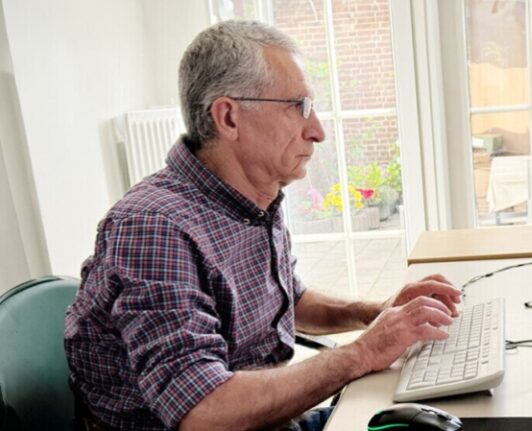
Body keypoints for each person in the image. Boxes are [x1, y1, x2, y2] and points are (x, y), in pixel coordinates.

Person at [64, 20, 461, 431]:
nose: (318, 131)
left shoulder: (253, 195)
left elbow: (286, 299)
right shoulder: (154, 228)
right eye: (299, 107)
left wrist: (374, 312)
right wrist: (362, 353)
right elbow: (201, 410)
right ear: (229, 118)